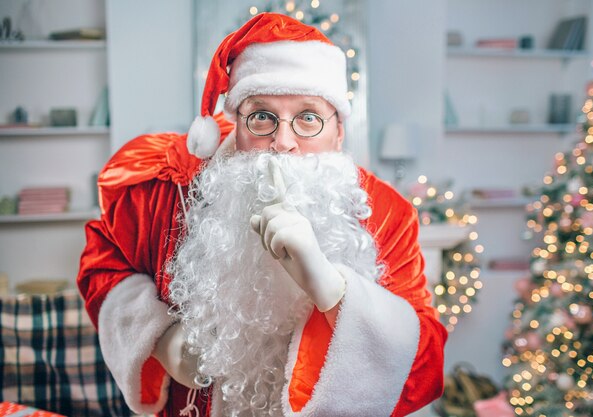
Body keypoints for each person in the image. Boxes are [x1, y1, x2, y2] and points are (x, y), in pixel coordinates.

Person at [77, 12, 447, 417]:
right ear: (236, 123)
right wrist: (161, 340)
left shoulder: (386, 211)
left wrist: (333, 289)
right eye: (262, 117)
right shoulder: (170, 186)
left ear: (339, 131)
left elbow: (424, 364)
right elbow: (102, 264)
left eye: (308, 117)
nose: (282, 142)